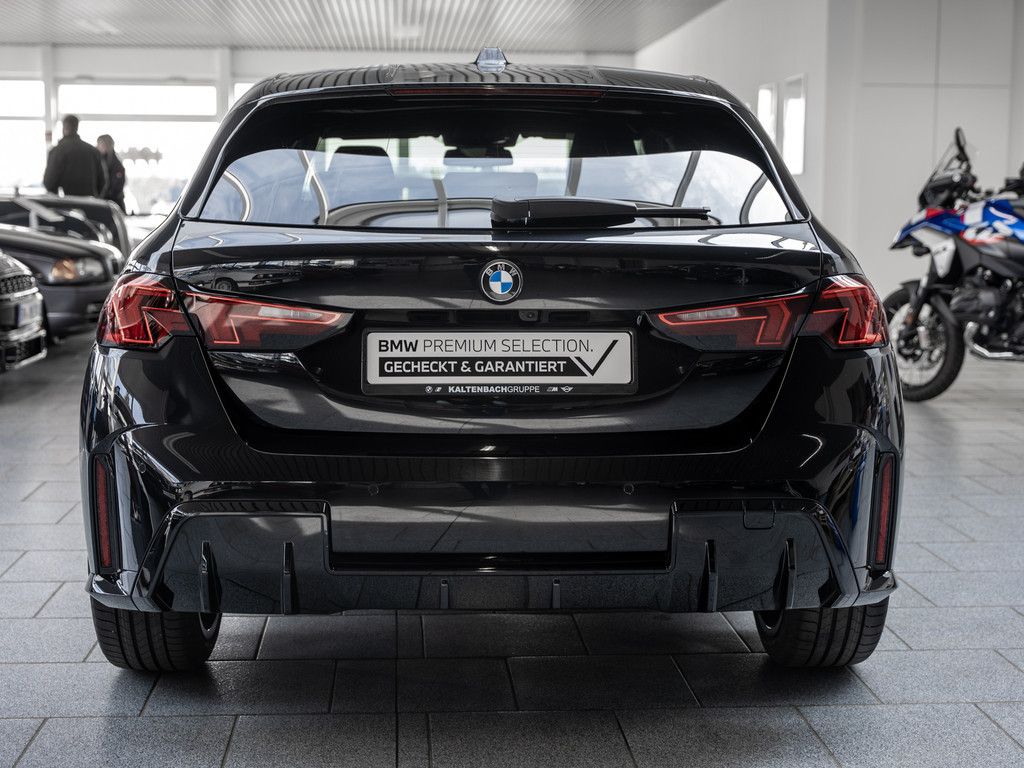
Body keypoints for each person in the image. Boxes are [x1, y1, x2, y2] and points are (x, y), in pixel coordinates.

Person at [43, 115, 105, 197]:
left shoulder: (57, 151)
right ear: (77, 127)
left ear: (63, 127)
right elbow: (102, 181)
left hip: (67, 202)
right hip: (90, 202)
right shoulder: (93, 151)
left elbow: (49, 183)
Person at [96, 134, 126, 212]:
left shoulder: (115, 163)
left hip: (114, 204)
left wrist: (104, 195)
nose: (97, 147)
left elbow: (117, 186)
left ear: (107, 145)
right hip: (104, 202)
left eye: (100, 144)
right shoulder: (99, 160)